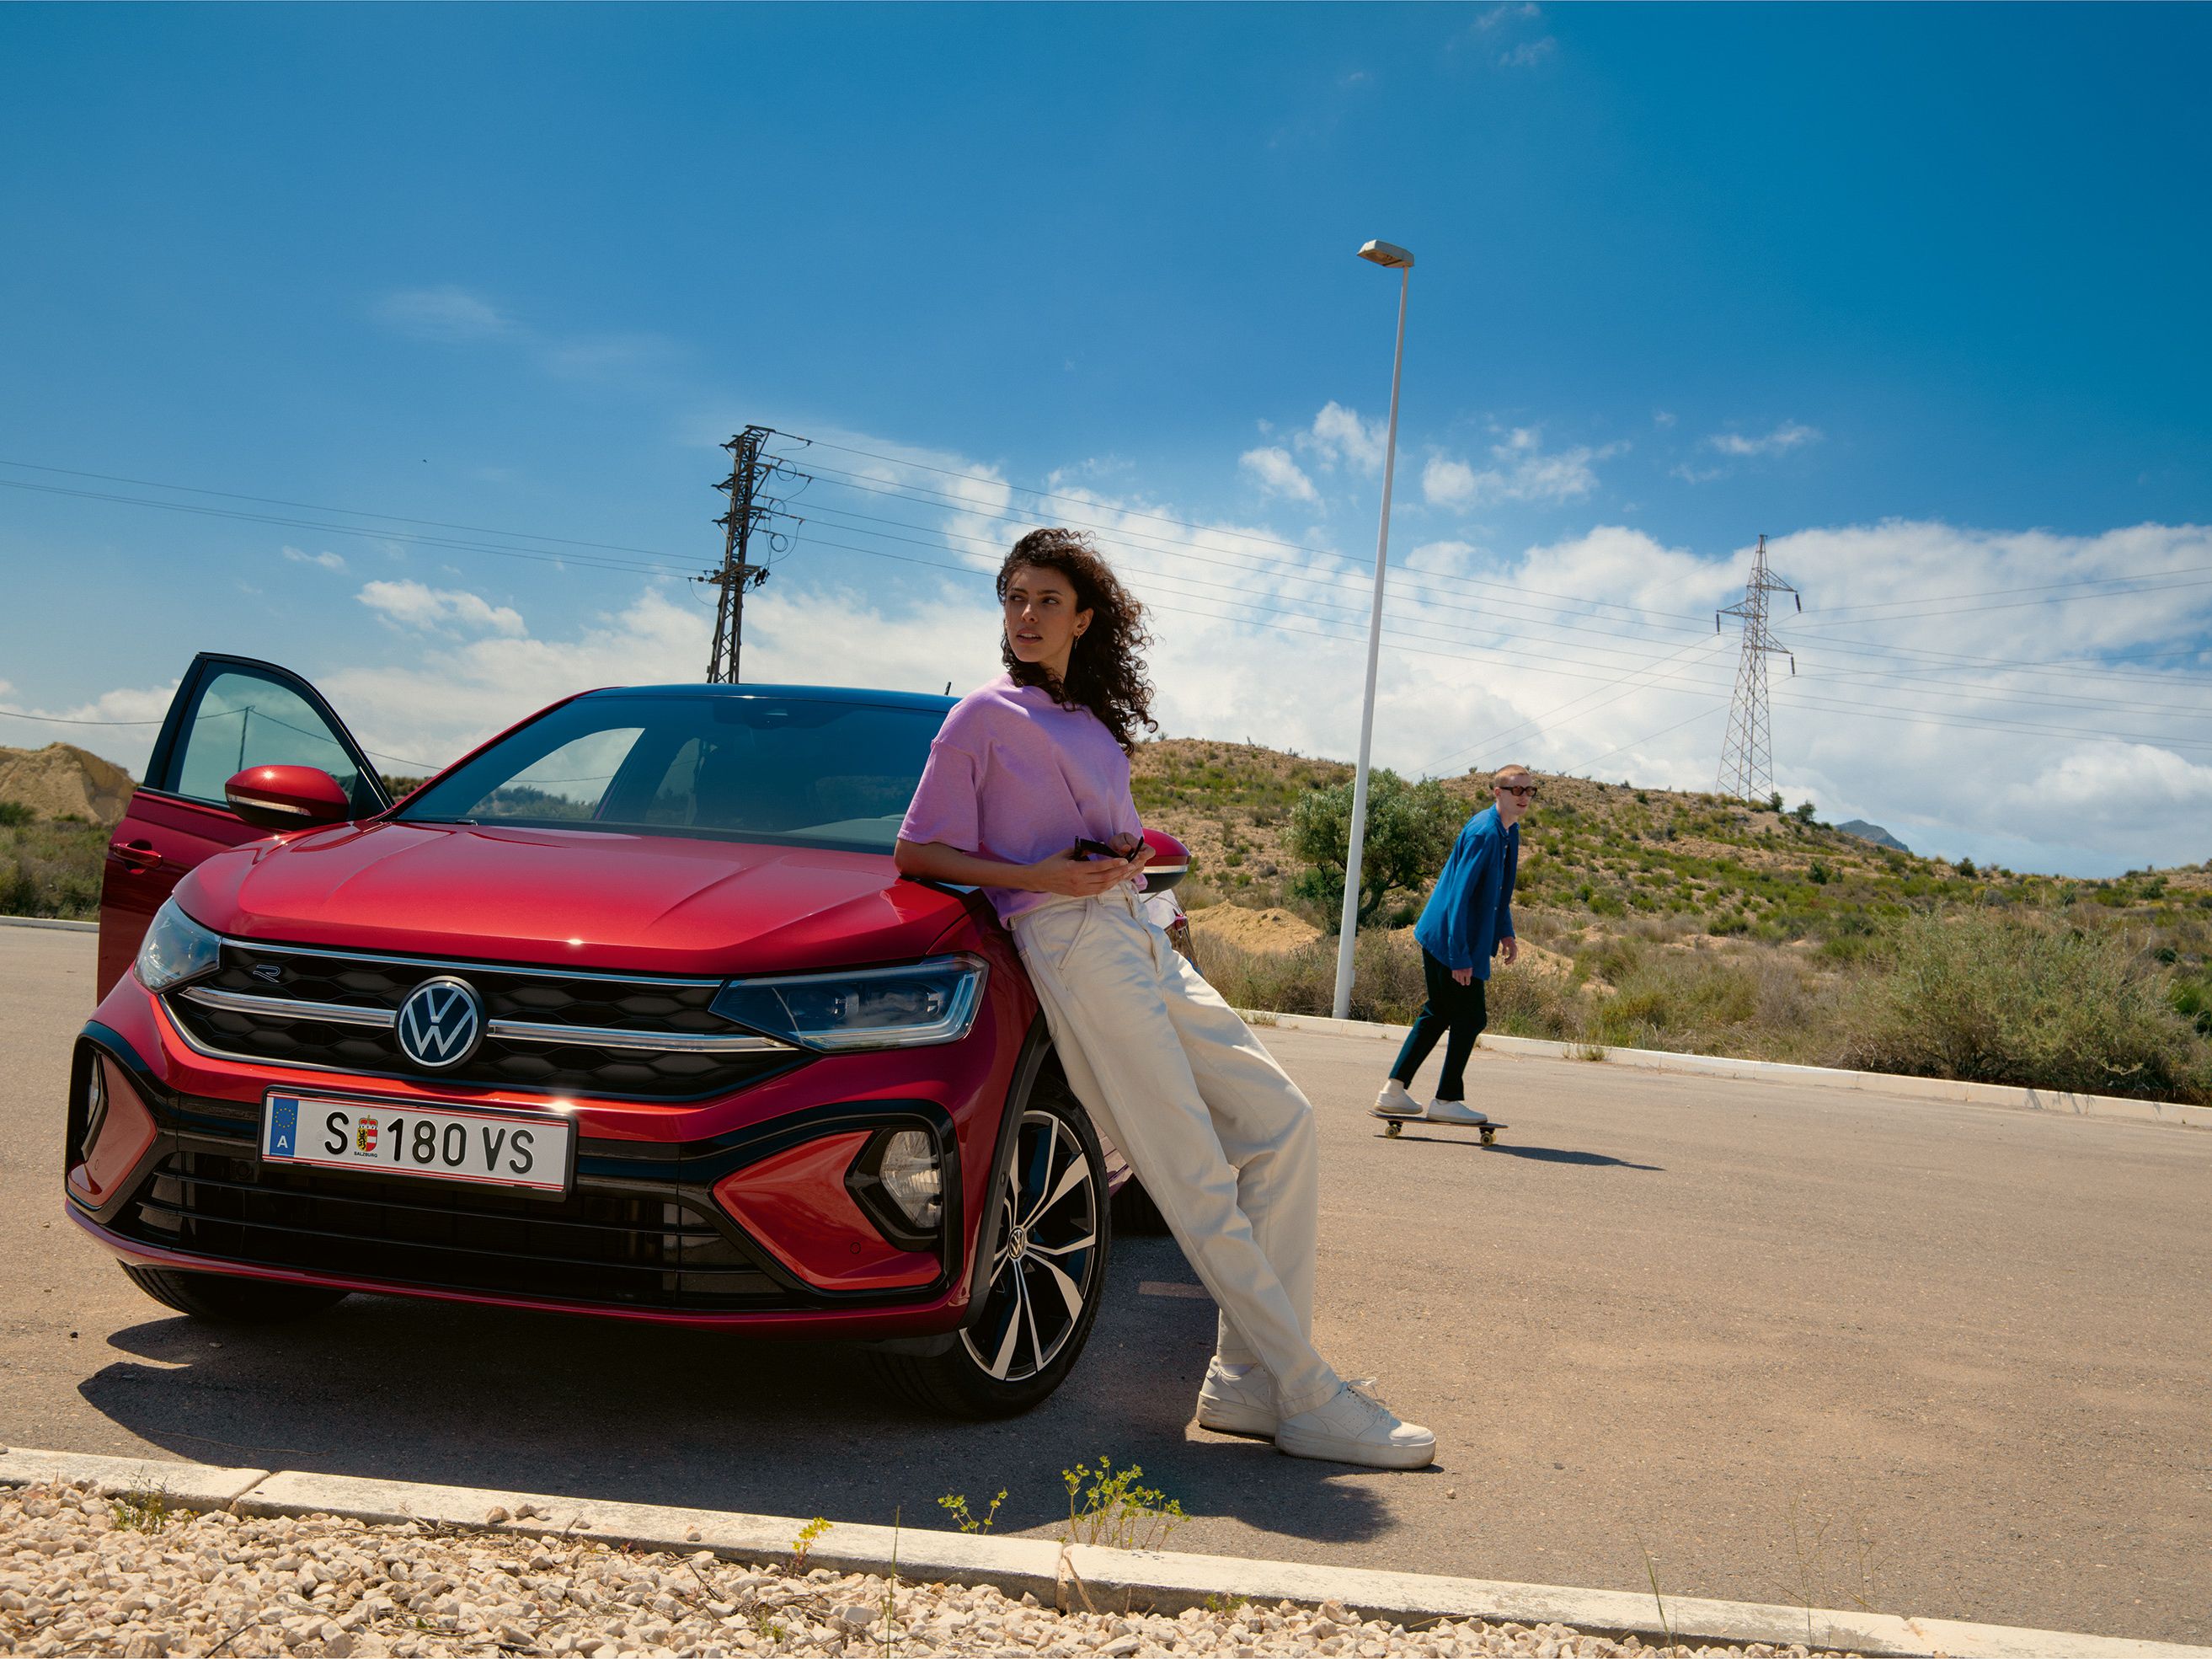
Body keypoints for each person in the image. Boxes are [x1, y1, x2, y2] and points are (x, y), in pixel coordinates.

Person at [895, 527, 1435, 1469]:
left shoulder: (1090, 723)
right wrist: (1040, 878)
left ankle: (1241, 1382)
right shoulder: (980, 717)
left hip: (1138, 930)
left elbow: (1100, 832)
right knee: (1190, 1172)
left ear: (1085, 617)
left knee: (1284, 1121)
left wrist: (1127, 854)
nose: (1025, 615)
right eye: (1014, 597)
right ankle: (1309, 1392)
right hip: (1069, 942)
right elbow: (918, 851)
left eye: (1045, 600)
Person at [1374, 763, 1533, 1126]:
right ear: (1498, 793)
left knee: (1439, 1013)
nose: (1524, 797)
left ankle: (1393, 1092)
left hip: (1452, 936)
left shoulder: (1510, 831)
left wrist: (1505, 932)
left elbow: (1498, 893)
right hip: (1450, 938)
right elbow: (1460, 898)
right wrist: (1460, 956)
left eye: (1529, 790)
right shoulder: (1485, 834)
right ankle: (1446, 1099)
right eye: (1516, 790)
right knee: (1471, 1016)